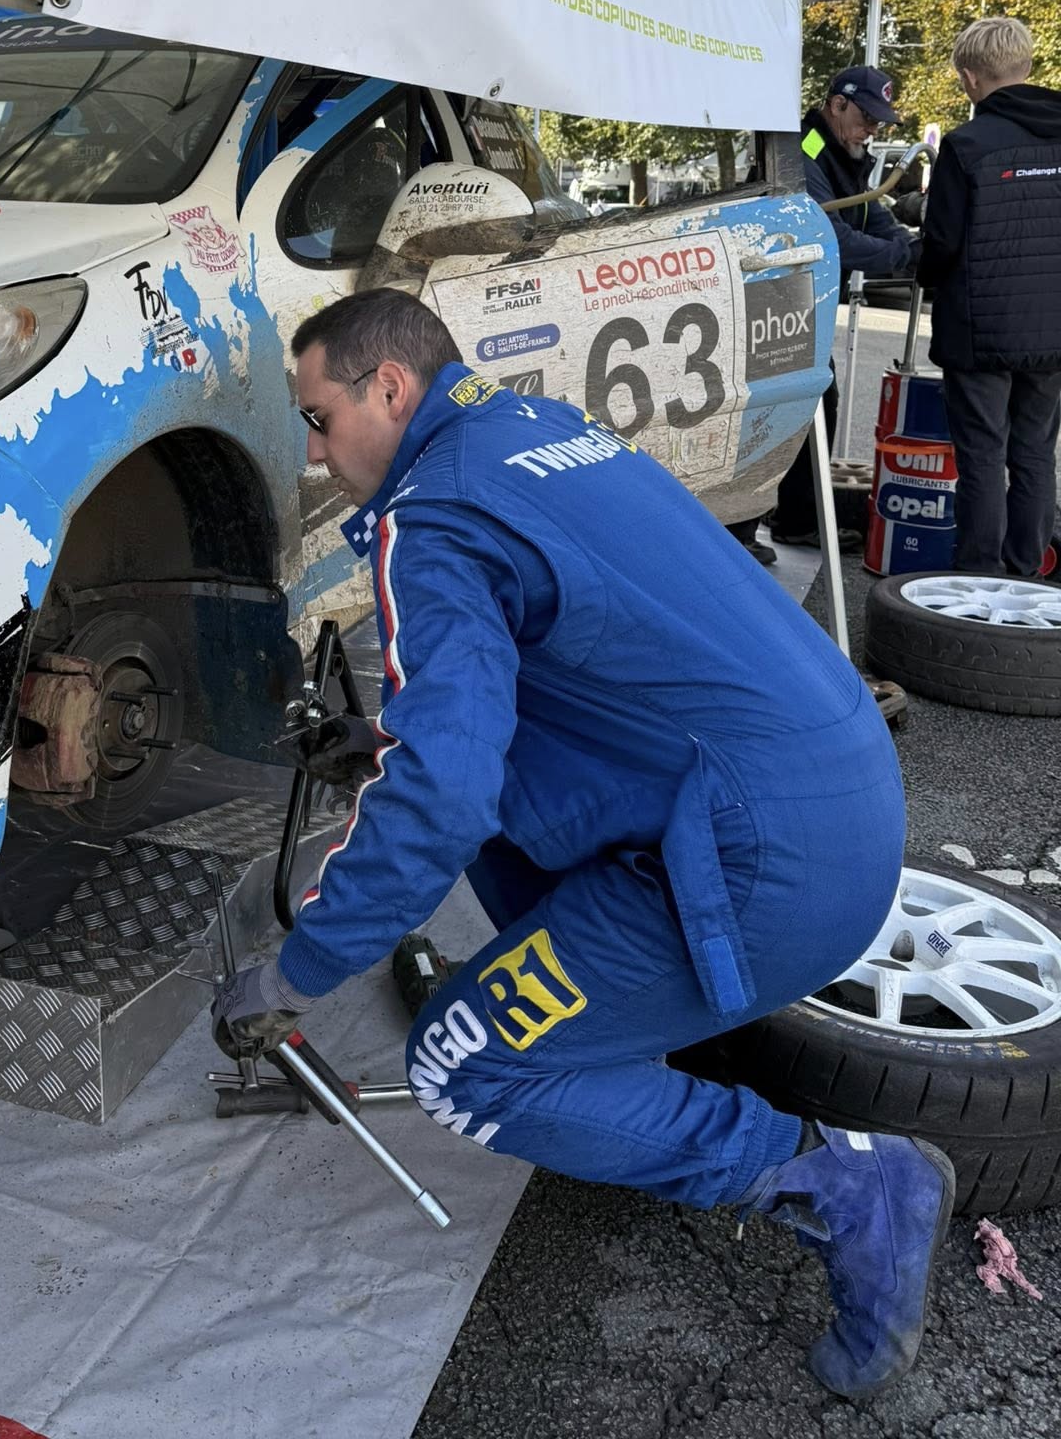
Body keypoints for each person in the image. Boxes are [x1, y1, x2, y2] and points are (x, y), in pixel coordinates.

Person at [213, 288, 952, 1402]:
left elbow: (441, 798)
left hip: (760, 861)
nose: (316, 454)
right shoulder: (531, 429)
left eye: (318, 417)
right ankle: (621, 1042)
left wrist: (295, 969)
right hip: (832, 793)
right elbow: (562, 682)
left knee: (465, 1063)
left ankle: (850, 1184)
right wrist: (385, 739)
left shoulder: (437, 512)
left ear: (391, 388)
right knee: (467, 803)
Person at [918, 16, 1061, 578]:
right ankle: (1027, 572)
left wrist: (924, 274)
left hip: (981, 330)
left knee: (981, 453)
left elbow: (942, 243)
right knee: (1034, 453)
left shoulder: (967, 144)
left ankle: (978, 575)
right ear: (1026, 66)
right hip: (1052, 331)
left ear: (971, 77)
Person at [769, 68, 920, 548]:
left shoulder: (841, 154)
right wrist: (902, 255)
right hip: (776, 300)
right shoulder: (804, 151)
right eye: (867, 117)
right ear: (836, 105)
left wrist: (908, 243)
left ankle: (794, 520)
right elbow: (825, 229)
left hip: (803, 305)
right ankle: (773, 522)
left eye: (880, 121)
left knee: (815, 401)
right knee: (794, 406)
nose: (873, 129)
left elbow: (866, 211)